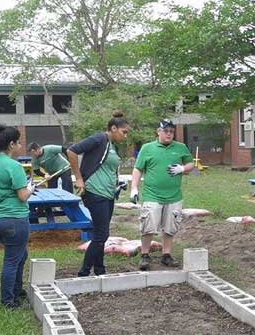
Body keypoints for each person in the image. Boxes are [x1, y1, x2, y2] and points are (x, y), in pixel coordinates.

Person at [66, 111, 129, 277]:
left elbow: (107, 168)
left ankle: (100, 271)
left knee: (100, 235)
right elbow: (72, 151)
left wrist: (117, 183)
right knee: (101, 235)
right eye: (124, 132)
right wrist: (79, 179)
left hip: (107, 194)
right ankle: (84, 273)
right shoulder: (99, 139)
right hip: (95, 192)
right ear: (113, 128)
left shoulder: (112, 145)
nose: (125, 136)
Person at [130, 119, 194, 270]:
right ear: (158, 132)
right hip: (152, 195)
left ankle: (166, 255)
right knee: (148, 226)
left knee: (170, 227)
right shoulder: (147, 148)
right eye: (166, 131)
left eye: (171, 131)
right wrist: (134, 188)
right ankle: (145, 255)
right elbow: (138, 169)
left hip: (174, 196)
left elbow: (191, 164)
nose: (169, 134)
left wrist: (182, 168)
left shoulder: (180, 147)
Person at [0, 125, 36, 309]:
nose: (20, 145)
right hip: (14, 220)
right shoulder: (14, 166)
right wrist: (31, 188)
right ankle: (8, 302)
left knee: (21, 255)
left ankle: (18, 292)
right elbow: (23, 196)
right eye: (18, 142)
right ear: (11, 144)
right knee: (12, 261)